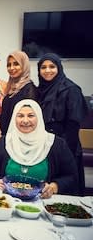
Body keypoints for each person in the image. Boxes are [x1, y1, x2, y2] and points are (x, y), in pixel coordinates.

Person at [0, 99, 79, 197]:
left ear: (39, 117)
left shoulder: (56, 144)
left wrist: (54, 186)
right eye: (20, 116)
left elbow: (71, 176)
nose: (25, 120)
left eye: (31, 116)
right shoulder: (5, 142)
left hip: (43, 201)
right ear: (14, 118)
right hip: (8, 199)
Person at [37, 53, 89, 195]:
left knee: (63, 186)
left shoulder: (71, 90)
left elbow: (73, 125)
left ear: (59, 68)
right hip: (46, 146)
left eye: (52, 66)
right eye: (43, 67)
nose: (47, 70)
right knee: (47, 190)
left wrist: (64, 151)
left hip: (66, 146)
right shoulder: (41, 90)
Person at [0, 50, 37, 134]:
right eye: (9, 65)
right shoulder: (10, 87)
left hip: (19, 139)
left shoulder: (29, 89)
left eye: (16, 64)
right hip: (7, 136)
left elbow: (29, 121)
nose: (12, 68)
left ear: (24, 65)